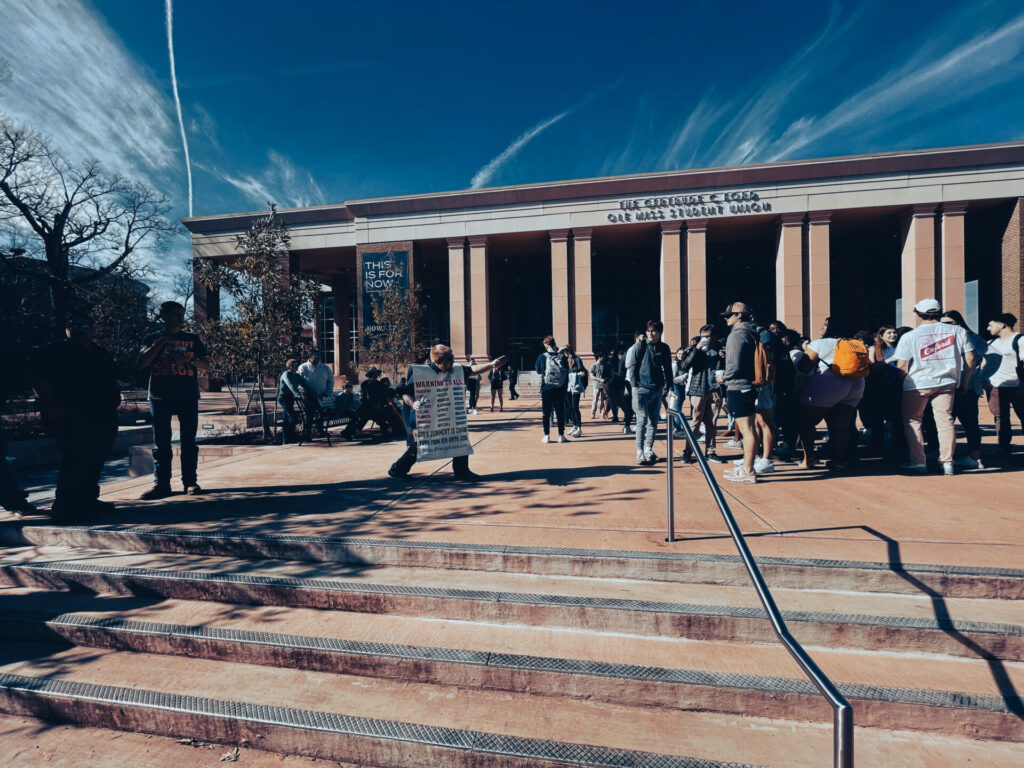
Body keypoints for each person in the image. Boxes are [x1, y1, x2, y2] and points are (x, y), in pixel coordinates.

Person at [30, 314, 120, 521]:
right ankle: (65, 507)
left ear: (93, 329)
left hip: (103, 415)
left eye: (84, 325)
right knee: (76, 460)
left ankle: (87, 500)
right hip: (73, 415)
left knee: (96, 459)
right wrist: (52, 406)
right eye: (74, 325)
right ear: (66, 330)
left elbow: (114, 376)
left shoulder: (99, 353)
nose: (79, 329)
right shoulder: (53, 351)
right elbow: (38, 378)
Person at [388, 345, 505, 482]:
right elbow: (406, 393)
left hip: (448, 413)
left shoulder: (455, 370)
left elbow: (472, 370)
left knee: (459, 438)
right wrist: (413, 403)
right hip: (426, 416)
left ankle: (462, 472)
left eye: (453, 357)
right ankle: (397, 469)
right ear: (438, 361)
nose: (453, 361)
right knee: (421, 444)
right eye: (449, 359)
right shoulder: (422, 373)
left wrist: (491, 364)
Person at [894, 298, 976, 475]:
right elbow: (971, 358)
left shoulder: (910, 336)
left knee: (913, 421)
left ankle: (918, 462)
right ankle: (947, 462)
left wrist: (901, 384)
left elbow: (901, 365)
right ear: (939, 311)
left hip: (917, 383)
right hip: (946, 382)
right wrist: (964, 382)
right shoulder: (957, 331)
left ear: (918, 313)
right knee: (945, 421)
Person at [136, 301, 209, 499]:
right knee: (161, 442)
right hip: (160, 395)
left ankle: (190, 482)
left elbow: (207, 364)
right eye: (176, 314)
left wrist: (188, 360)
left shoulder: (192, 339)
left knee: (188, 441)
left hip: (187, 395)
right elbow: (141, 363)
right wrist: (160, 344)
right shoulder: (152, 338)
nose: (180, 318)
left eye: (182, 314)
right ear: (164, 316)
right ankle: (161, 484)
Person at [796, 315, 868, 472]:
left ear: (830, 328)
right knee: (841, 427)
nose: (822, 328)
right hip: (856, 384)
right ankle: (837, 461)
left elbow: (803, 366)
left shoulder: (820, 343)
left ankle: (809, 458)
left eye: (824, 325)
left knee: (805, 422)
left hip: (829, 384)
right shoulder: (855, 343)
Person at [941, 310, 987, 469]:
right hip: (949, 384)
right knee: (947, 422)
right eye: (942, 324)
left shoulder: (971, 337)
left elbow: (991, 357)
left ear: (958, 322)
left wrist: (980, 376)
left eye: (949, 323)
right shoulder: (944, 338)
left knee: (969, 422)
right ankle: (946, 456)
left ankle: (974, 458)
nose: (946, 326)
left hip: (966, 387)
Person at [720, 303, 759, 483]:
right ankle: (747, 467)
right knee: (750, 428)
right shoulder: (751, 332)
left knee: (747, 430)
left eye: (729, 315)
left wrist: (724, 377)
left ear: (739, 315)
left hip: (738, 386)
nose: (726, 318)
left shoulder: (737, 334)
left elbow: (734, 365)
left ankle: (748, 471)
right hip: (748, 385)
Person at [626, 320, 673, 465]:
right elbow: (632, 367)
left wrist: (669, 387)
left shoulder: (664, 348)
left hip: (656, 389)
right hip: (641, 389)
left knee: (653, 421)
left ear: (660, 332)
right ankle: (639, 451)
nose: (650, 334)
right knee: (641, 420)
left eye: (653, 331)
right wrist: (634, 386)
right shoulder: (640, 346)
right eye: (648, 331)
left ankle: (648, 449)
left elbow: (668, 369)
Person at [677, 326, 725, 464]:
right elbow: (684, 366)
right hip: (698, 390)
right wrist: (696, 349)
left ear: (714, 337)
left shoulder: (720, 349)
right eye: (703, 336)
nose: (705, 339)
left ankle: (710, 451)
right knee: (695, 422)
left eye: (708, 336)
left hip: (715, 390)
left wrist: (724, 357)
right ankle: (688, 451)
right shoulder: (695, 349)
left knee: (712, 423)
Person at [982, 312, 1024, 456]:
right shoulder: (991, 343)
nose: (988, 328)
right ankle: (1003, 446)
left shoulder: (1020, 340)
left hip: (1017, 386)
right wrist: (984, 380)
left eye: (990, 325)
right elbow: (984, 364)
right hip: (995, 387)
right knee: (1000, 417)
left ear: (1001, 325)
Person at [536, 336, 570, 443]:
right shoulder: (562, 357)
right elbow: (567, 372)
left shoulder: (542, 356)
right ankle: (561, 435)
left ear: (546, 345)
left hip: (546, 388)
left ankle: (547, 436)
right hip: (560, 388)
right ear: (554, 344)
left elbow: (538, 370)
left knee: (546, 413)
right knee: (560, 413)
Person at [278, 358, 317, 444]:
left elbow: (305, 385)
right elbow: (291, 385)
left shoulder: (296, 375)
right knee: (292, 417)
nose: (296, 367)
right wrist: (299, 395)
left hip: (290, 398)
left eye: (297, 365)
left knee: (286, 418)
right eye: (294, 365)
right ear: (289, 366)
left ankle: (286, 439)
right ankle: (291, 436)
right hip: (284, 398)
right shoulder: (286, 374)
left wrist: (315, 393)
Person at [565, 347, 587, 437]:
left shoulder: (577, 360)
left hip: (575, 386)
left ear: (570, 351)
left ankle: (579, 428)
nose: (565, 352)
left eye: (566, 350)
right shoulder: (565, 360)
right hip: (567, 387)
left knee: (575, 407)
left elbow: (582, 373)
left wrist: (573, 375)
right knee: (570, 407)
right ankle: (574, 426)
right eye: (563, 351)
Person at [589, 352, 610, 419]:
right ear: (599, 357)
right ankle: (593, 413)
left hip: (604, 385)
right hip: (596, 385)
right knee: (595, 399)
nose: (604, 358)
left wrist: (606, 379)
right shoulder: (594, 365)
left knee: (603, 400)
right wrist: (599, 379)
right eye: (602, 357)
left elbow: (608, 374)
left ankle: (602, 413)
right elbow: (591, 376)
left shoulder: (605, 365)